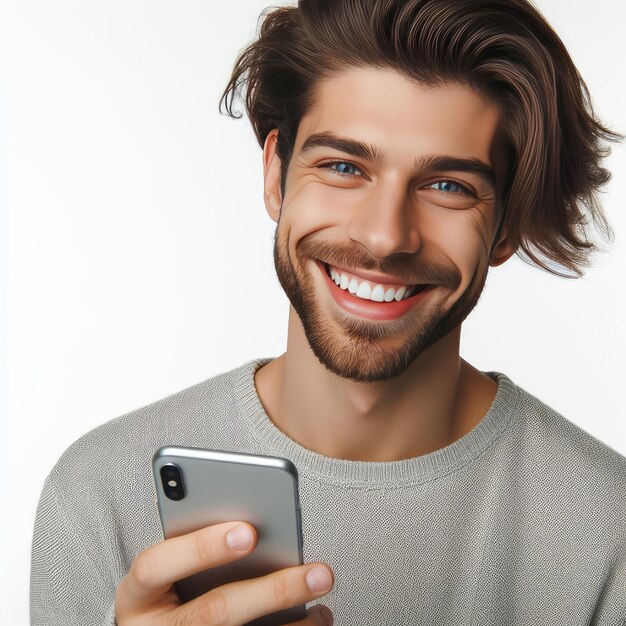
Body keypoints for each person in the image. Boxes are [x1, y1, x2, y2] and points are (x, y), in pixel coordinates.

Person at [30, 0, 626, 625]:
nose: (383, 236)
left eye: (448, 185)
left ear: (507, 224)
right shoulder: (103, 491)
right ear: (275, 174)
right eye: (343, 167)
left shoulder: (606, 529)